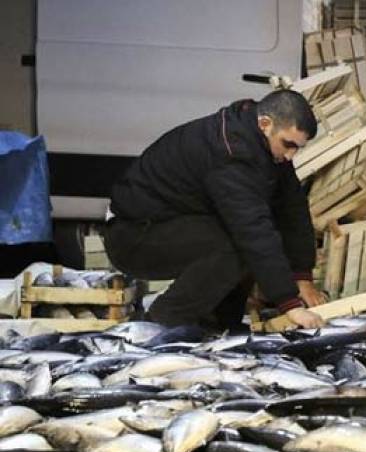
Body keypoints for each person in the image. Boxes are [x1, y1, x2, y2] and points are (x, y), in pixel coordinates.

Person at [104, 89, 326, 331]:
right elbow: (252, 230)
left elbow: (292, 209)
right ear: (265, 124)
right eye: (288, 145)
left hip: (177, 222)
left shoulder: (265, 144)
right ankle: (161, 322)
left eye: (298, 148)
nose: (291, 154)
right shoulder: (231, 154)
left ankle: (218, 324)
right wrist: (290, 304)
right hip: (134, 236)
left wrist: (302, 275)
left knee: (255, 236)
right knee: (240, 244)